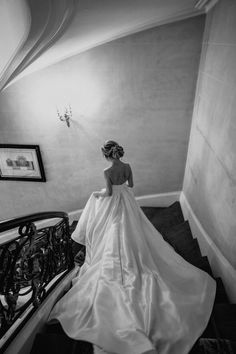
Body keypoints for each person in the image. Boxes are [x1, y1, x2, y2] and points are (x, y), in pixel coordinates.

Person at [48, 140, 216, 354]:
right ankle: (136, 257)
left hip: (114, 201)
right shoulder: (127, 167)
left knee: (111, 233)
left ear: (107, 155)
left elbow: (108, 193)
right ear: (118, 153)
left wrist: (97, 194)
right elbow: (131, 186)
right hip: (126, 201)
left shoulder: (107, 170)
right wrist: (122, 190)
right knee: (135, 231)